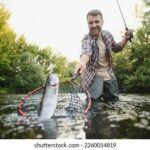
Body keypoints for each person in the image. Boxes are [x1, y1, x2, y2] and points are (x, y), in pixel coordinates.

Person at [74, 9, 133, 101]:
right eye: (90, 23)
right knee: (94, 103)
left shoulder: (107, 34)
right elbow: (86, 51)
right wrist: (82, 62)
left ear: (102, 22)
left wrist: (126, 38)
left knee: (113, 102)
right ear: (87, 24)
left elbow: (117, 48)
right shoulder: (87, 39)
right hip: (93, 75)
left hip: (108, 73)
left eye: (97, 22)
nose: (94, 25)